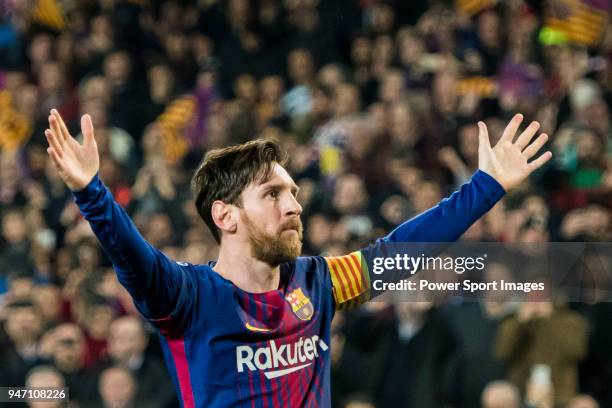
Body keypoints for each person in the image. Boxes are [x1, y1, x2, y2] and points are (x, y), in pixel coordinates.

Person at [43, 108, 551, 407]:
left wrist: (487, 187)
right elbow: (131, 255)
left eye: (293, 192)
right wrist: (91, 190)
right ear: (226, 216)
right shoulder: (188, 297)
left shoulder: (319, 281)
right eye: (272, 194)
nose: (294, 205)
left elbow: (403, 251)